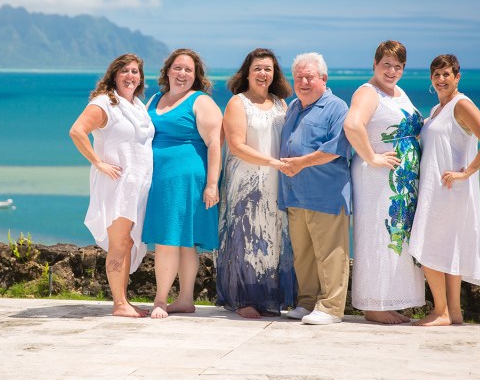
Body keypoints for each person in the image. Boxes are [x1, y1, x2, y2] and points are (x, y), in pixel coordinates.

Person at [409, 54, 480, 326]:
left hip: (447, 189)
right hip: (437, 188)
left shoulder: (461, 104)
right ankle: (454, 313)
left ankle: (441, 311)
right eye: (436, 75)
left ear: (457, 77)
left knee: (427, 245)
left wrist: (467, 172)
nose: (441, 79)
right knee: (448, 248)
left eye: (446, 74)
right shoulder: (438, 110)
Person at [343, 40, 425, 325]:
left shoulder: (398, 92)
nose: (391, 71)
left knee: (396, 236)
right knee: (378, 236)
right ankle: (373, 304)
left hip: (401, 181)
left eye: (398, 66)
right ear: (374, 65)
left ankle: (388, 300)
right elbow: (352, 124)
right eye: (386, 65)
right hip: (378, 178)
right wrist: (372, 157)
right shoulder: (368, 93)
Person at [68, 53, 154, 318]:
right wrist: (98, 163)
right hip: (116, 184)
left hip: (136, 186)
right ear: (114, 75)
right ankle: (119, 304)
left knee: (127, 242)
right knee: (119, 243)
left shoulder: (137, 106)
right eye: (125, 71)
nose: (131, 76)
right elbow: (77, 131)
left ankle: (124, 300)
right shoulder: (105, 103)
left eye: (135, 72)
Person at [216, 48, 297, 318]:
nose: (263, 74)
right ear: (247, 74)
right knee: (246, 237)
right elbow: (237, 146)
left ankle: (270, 298)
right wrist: (272, 162)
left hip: (276, 181)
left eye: (268, 69)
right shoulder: (238, 103)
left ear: (275, 74)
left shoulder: (281, 103)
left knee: (272, 236)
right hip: (247, 182)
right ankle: (243, 299)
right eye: (258, 69)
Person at [142, 48, 223, 319]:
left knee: (170, 239)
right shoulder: (155, 99)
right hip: (159, 179)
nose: (182, 74)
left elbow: (215, 143)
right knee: (183, 241)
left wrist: (212, 184)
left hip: (186, 179)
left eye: (189, 70)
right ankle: (185, 300)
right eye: (178, 68)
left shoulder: (200, 101)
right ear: (167, 71)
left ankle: (161, 300)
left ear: (196, 75)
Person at [278, 52, 352, 325]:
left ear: (323, 78)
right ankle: (307, 302)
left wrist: (301, 163)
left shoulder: (336, 107)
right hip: (295, 194)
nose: (303, 82)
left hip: (326, 194)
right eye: (298, 77)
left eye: (309, 77)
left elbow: (336, 149)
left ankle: (331, 308)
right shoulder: (294, 106)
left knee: (330, 253)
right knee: (304, 254)